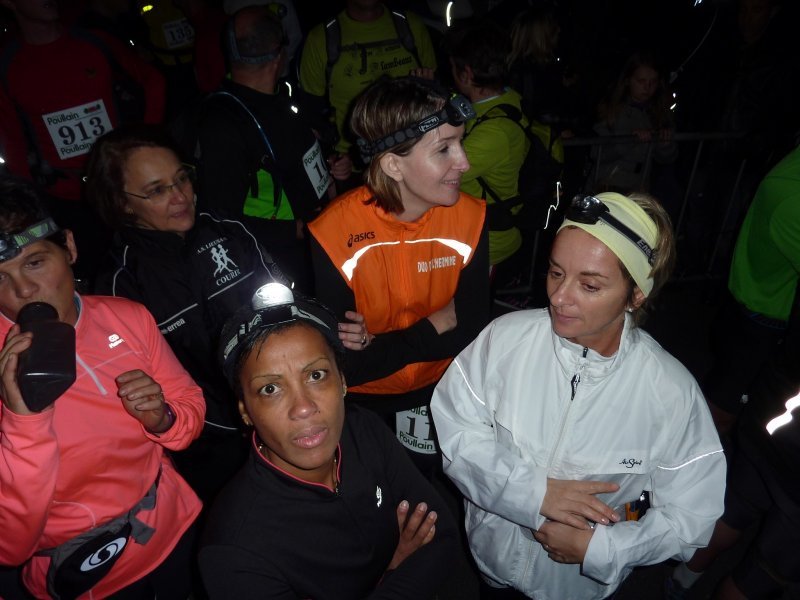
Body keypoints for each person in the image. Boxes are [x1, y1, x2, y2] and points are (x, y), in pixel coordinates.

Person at [431, 191, 726, 599]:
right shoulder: (505, 339)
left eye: (589, 285)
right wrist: (534, 493)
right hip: (491, 559)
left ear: (636, 295)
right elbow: (458, 430)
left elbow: (692, 517)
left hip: (574, 588)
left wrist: (603, 550)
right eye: (556, 273)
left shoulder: (671, 393)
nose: (558, 297)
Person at [0, 177, 204, 599]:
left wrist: (162, 418)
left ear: (69, 248)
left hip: (173, 528)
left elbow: (190, 411)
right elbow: (9, 544)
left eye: (35, 262)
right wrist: (23, 421)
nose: (22, 290)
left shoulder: (127, 317)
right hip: (85, 574)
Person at [199, 282, 458, 599]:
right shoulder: (234, 551)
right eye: (270, 389)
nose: (303, 407)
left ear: (343, 381)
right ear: (245, 412)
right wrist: (389, 574)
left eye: (316, 375)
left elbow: (442, 536)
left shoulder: (363, 430)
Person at [87, 124, 286, 502]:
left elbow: (288, 309)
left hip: (280, 404)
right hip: (210, 444)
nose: (180, 196)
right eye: (157, 190)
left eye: (181, 179)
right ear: (123, 203)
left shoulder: (228, 230)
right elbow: (146, 388)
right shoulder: (119, 284)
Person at [307, 76, 489, 469]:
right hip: (364, 402)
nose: (464, 163)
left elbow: (472, 330)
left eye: (460, 143)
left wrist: (381, 347)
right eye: (444, 149)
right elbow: (346, 366)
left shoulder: (471, 218)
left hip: (445, 389)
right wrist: (434, 327)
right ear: (393, 164)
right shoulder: (333, 233)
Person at [195, 5, 337, 291]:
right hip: (278, 262)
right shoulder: (224, 122)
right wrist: (291, 231)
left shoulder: (283, 94)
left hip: (323, 235)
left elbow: (297, 152)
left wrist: (331, 164)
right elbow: (219, 215)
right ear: (279, 52)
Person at [702, 144, 800, 435]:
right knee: (724, 410)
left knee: (731, 400)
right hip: (761, 317)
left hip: (752, 306)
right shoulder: (792, 200)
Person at [298, 0, 437, 166]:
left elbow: (438, 89)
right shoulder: (320, 38)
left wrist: (428, 88)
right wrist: (331, 157)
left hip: (414, 155)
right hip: (352, 163)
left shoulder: (410, 25)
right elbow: (311, 112)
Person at [447, 19, 529, 272]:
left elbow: (438, 172)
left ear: (467, 74)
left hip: (485, 241)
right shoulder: (507, 99)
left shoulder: (495, 131)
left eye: (452, 68)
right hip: (474, 230)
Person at [592, 52, 678, 201]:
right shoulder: (612, 109)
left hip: (639, 189)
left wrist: (665, 145)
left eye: (653, 82)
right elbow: (596, 152)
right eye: (641, 81)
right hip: (608, 186)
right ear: (627, 80)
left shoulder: (658, 112)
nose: (647, 87)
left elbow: (667, 158)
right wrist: (629, 140)